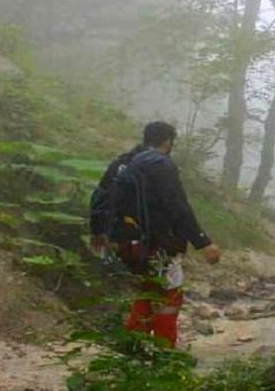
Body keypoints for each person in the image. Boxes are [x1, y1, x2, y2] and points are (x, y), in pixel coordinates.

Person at [89, 121, 222, 348]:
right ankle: (165, 354)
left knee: (146, 289)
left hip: (123, 243)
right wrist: (203, 242)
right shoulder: (160, 164)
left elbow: (99, 196)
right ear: (168, 141)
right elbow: (177, 206)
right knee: (169, 294)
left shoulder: (123, 162)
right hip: (158, 243)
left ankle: (133, 347)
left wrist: (98, 231)